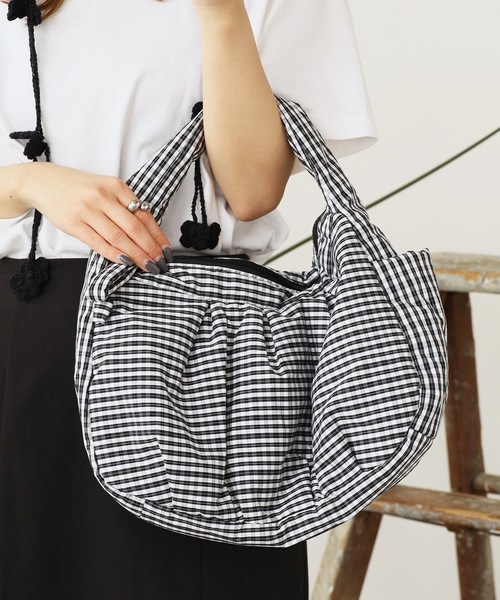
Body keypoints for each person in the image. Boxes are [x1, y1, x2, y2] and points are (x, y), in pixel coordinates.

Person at [0, 0, 376, 598]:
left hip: (201, 357)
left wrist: (221, 13)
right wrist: (27, 181)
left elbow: (251, 190)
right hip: (28, 329)